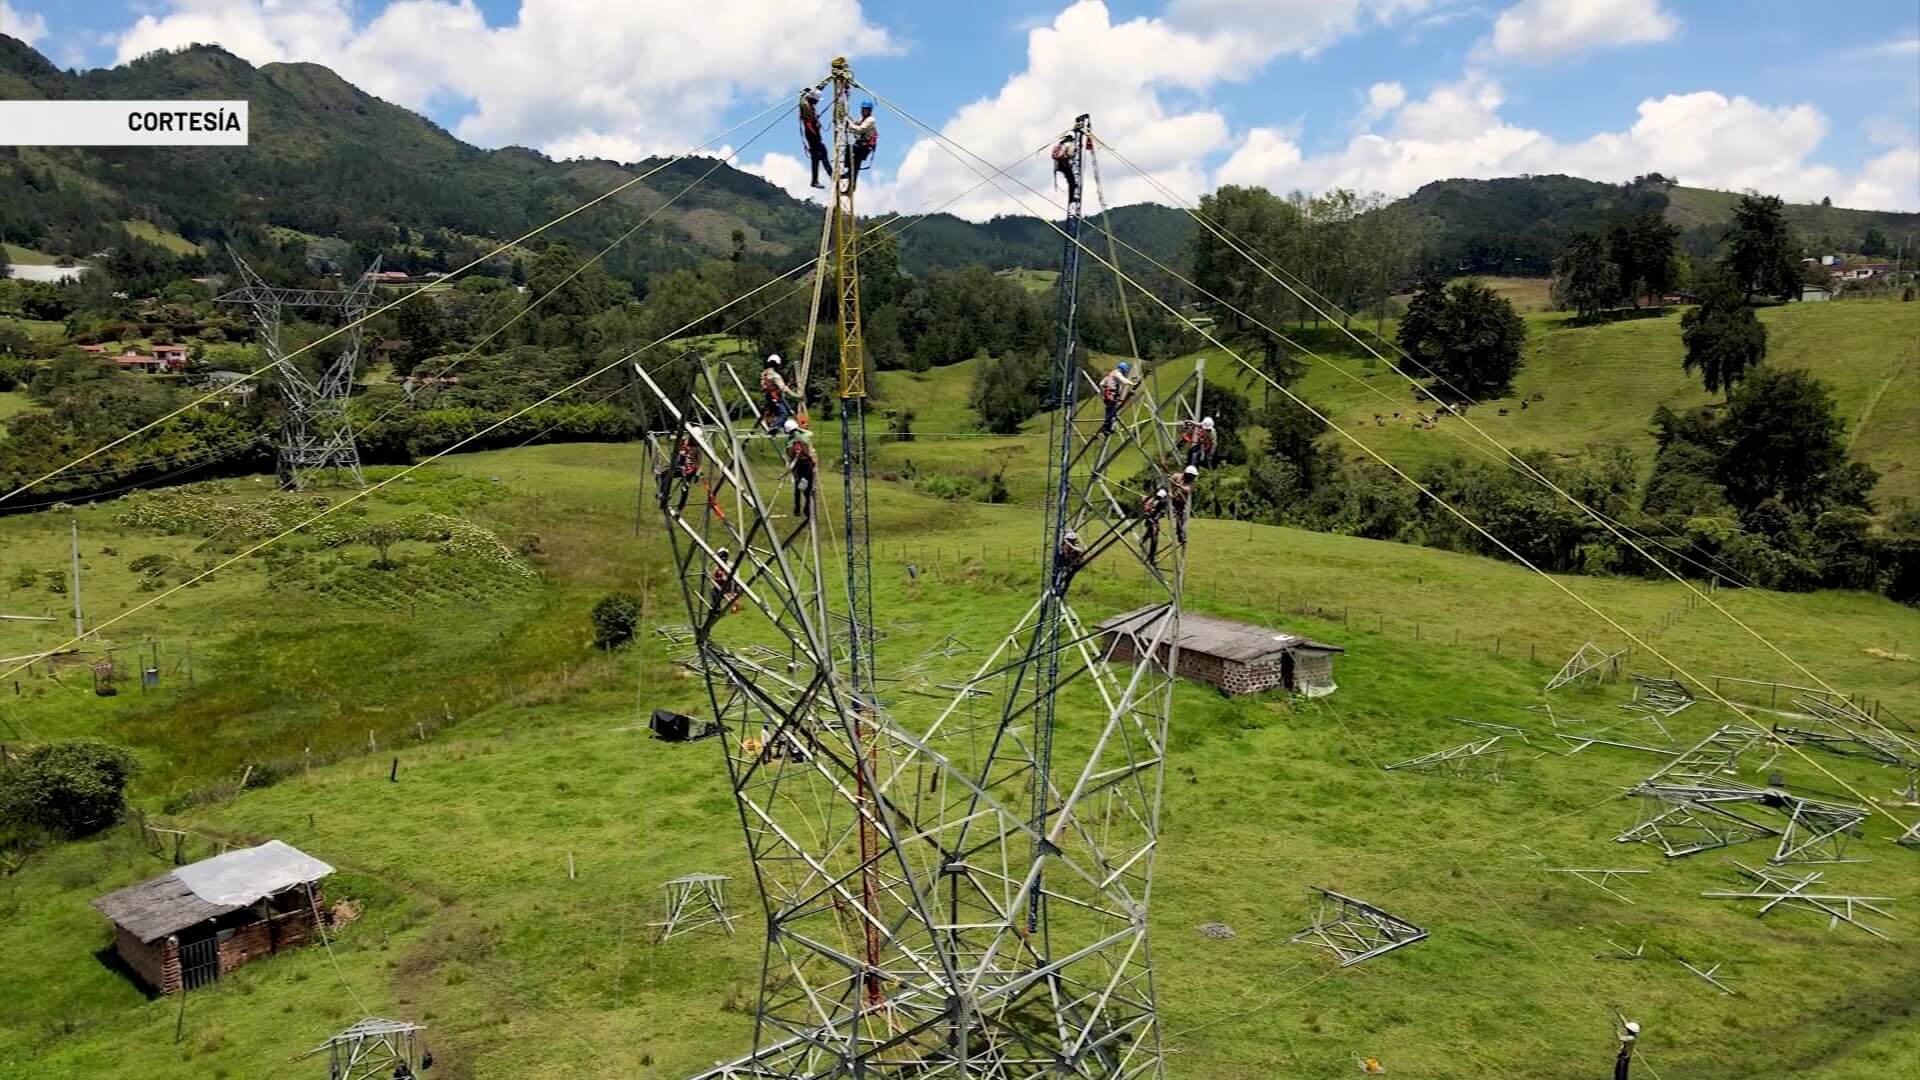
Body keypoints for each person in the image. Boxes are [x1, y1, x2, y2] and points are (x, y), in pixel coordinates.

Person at [659, 424, 701, 512]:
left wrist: (697, 474)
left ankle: (679, 509)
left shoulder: (697, 448)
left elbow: (699, 462)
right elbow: (674, 438)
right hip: (680, 466)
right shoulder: (684, 440)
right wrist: (672, 433)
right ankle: (663, 493)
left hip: (689, 470)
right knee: (664, 475)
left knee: (684, 489)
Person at [784, 417, 816, 519]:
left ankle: (797, 508)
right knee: (808, 487)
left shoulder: (788, 441)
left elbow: (788, 454)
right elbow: (810, 434)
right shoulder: (804, 436)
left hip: (796, 465)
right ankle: (807, 508)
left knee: (798, 487)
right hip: (806, 463)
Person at [799, 88, 830, 189]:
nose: (817, 103)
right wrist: (815, 135)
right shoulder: (806, 106)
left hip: (812, 135)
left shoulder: (807, 101)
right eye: (816, 100)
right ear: (812, 99)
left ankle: (814, 180)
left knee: (816, 158)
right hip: (812, 136)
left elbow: (806, 95)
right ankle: (831, 174)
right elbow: (808, 124)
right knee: (823, 152)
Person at [846, 99, 878, 192]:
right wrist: (850, 121)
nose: (863, 111)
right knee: (854, 166)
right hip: (861, 145)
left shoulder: (870, 120)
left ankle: (851, 183)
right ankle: (850, 184)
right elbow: (856, 124)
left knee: (851, 153)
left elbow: (859, 129)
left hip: (864, 147)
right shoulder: (862, 118)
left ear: (869, 111)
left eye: (865, 109)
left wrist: (850, 124)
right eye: (863, 109)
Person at [1097, 361, 1135, 435]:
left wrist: (1103, 393)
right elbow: (1123, 381)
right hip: (1111, 394)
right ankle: (1105, 428)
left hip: (1108, 394)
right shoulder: (1117, 373)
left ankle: (1108, 428)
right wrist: (1132, 383)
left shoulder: (1111, 374)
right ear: (1123, 369)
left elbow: (1101, 384)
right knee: (1111, 412)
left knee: (1110, 411)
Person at [760, 353, 795, 426]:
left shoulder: (764, 373)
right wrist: (796, 395)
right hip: (774, 397)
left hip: (768, 397)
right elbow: (783, 388)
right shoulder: (775, 375)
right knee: (784, 414)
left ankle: (774, 426)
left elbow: (764, 386)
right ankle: (774, 427)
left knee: (772, 414)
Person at [1052, 529, 1085, 596]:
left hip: (1072, 565)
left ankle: (1061, 592)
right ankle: (1057, 588)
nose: (1072, 541)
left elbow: (1079, 553)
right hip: (1066, 564)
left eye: (1073, 540)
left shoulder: (1074, 546)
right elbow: (1065, 554)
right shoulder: (1065, 546)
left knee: (1067, 579)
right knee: (1060, 574)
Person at [1140, 487, 1169, 561]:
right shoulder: (1154, 502)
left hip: (1153, 521)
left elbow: (1159, 512)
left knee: (1152, 536)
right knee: (1154, 540)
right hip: (1151, 521)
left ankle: (1143, 540)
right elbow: (1147, 510)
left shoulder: (1159, 502)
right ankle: (1151, 556)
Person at [709, 547, 740, 617]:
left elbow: (736, 579)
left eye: (724, 556)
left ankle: (718, 608)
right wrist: (716, 579)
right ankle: (716, 609)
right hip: (722, 588)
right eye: (721, 556)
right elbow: (716, 580)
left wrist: (733, 593)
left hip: (731, 587)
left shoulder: (731, 565)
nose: (723, 558)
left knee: (716, 590)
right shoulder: (717, 568)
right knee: (713, 591)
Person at [1051, 133, 1080, 204]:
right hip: (1065, 164)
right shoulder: (1069, 144)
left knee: (1070, 180)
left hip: (1059, 165)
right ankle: (1071, 199)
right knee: (1072, 183)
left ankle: (1071, 198)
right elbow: (1071, 154)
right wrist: (1074, 153)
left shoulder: (1060, 145)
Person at [1170, 464, 1195, 545]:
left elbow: (1187, 490)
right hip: (1172, 501)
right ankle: (1181, 537)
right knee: (1178, 519)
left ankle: (1181, 536)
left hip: (1181, 504)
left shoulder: (1190, 483)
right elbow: (1169, 484)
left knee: (1181, 520)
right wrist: (1170, 492)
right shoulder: (1176, 476)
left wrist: (1178, 485)